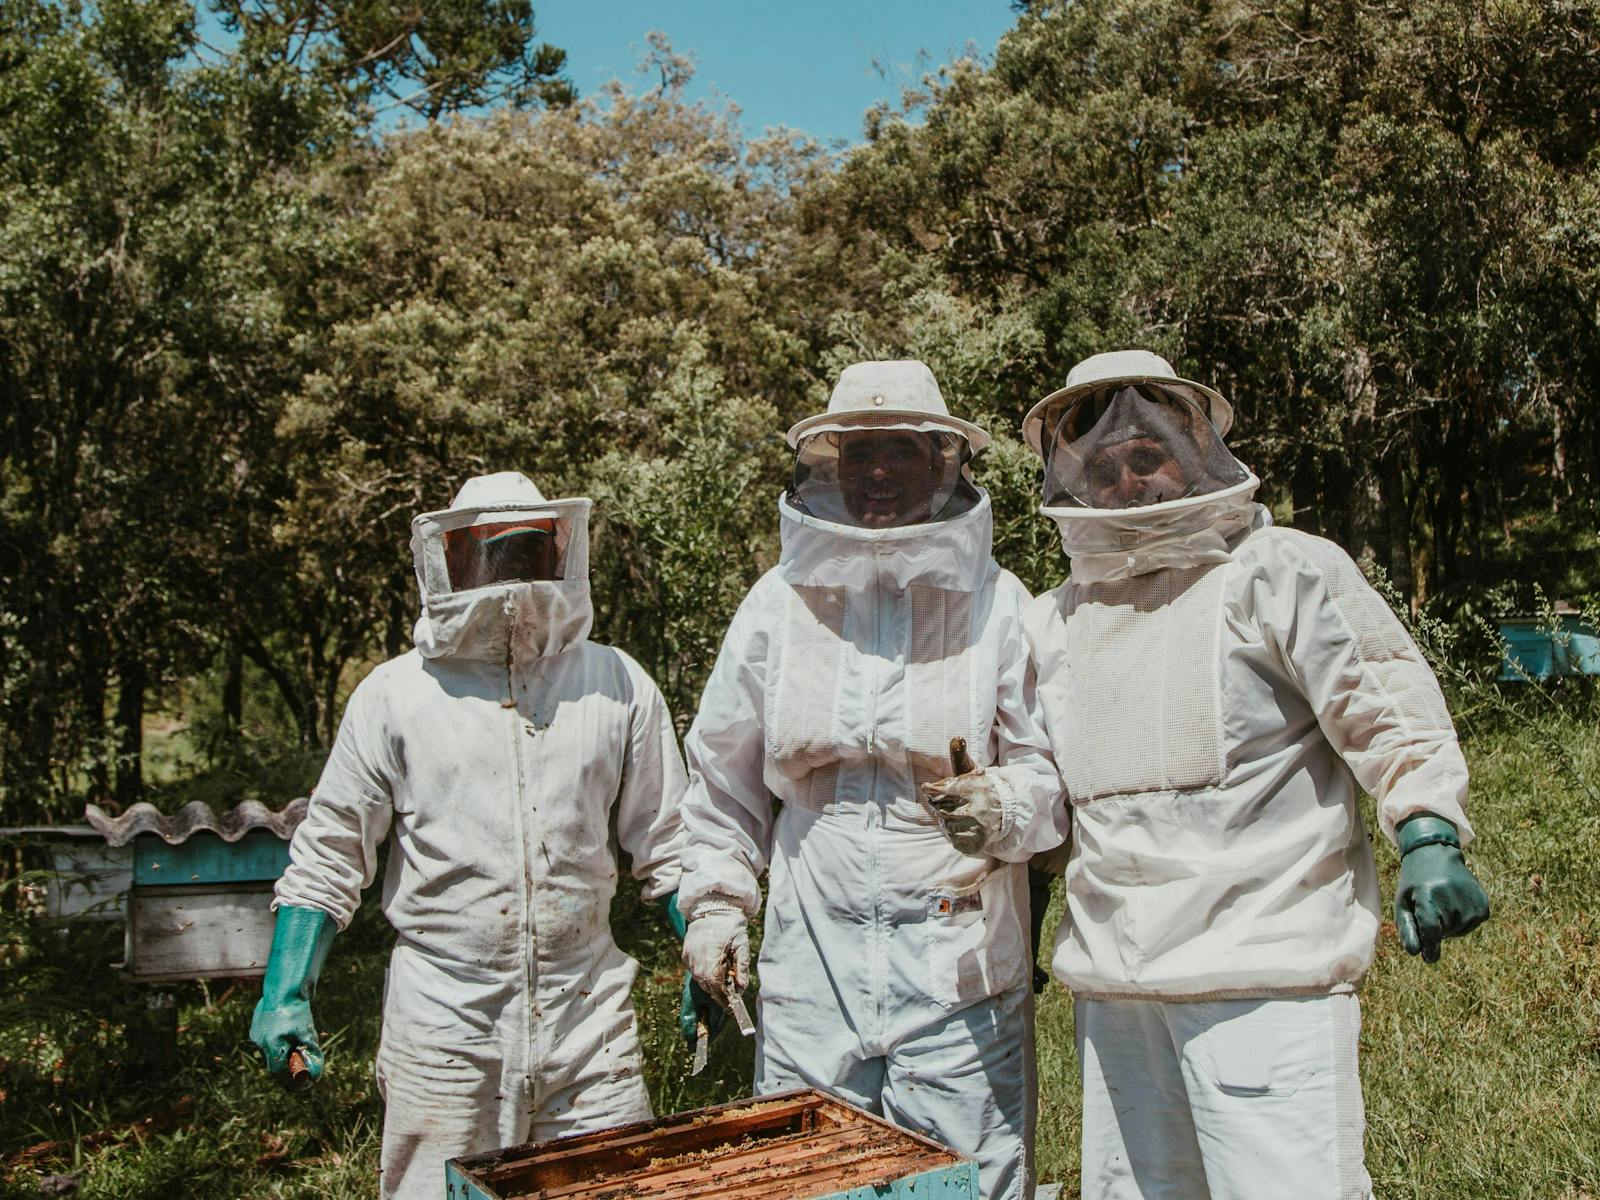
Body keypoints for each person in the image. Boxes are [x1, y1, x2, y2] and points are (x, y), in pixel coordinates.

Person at [1018, 350, 1491, 1200]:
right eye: (1107, 467)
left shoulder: (1282, 571)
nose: (1131, 483)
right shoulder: (1052, 620)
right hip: (1114, 989)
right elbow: (1046, 790)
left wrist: (1427, 829)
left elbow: (1384, 703)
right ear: (1072, 482)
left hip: (1265, 978)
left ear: (1197, 451)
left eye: (1148, 456)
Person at [676, 360, 1067, 1200]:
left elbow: (1046, 777)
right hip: (811, 952)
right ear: (828, 468)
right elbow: (720, 785)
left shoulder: (1000, 604)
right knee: (808, 1174)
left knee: (967, 1181)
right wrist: (713, 908)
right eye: (858, 454)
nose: (878, 472)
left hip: (959, 961)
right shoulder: (777, 605)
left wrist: (1000, 807)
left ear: (941, 463)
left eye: (899, 451)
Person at [249, 471, 690, 1200]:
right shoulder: (395, 694)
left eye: (526, 553)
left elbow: (668, 842)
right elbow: (330, 854)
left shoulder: (617, 682)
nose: (510, 577)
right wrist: (284, 990)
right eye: (493, 554)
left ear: (559, 553)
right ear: (452, 559)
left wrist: (703, 944)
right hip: (445, 1022)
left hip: (590, 1018)